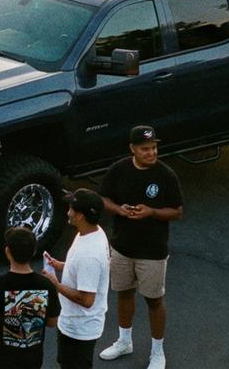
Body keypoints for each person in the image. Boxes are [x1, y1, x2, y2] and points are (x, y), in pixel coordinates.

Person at [97, 127, 181, 368]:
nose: (151, 152)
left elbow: (177, 211)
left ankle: (157, 352)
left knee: (154, 300)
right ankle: (125, 341)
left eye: (154, 147)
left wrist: (151, 212)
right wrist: (119, 209)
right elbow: (103, 199)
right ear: (132, 149)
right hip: (122, 247)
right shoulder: (118, 170)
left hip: (152, 251)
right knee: (123, 293)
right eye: (145, 149)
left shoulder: (166, 175)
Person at [0, 226, 61, 369]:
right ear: (34, 251)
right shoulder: (46, 285)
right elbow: (52, 322)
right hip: (31, 361)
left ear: (7, 251)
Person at [45, 189, 110, 368]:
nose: (68, 212)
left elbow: (87, 300)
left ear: (80, 216)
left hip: (80, 330)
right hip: (72, 323)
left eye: (71, 209)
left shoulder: (89, 255)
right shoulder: (92, 232)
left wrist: (56, 284)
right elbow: (82, 270)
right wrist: (60, 265)